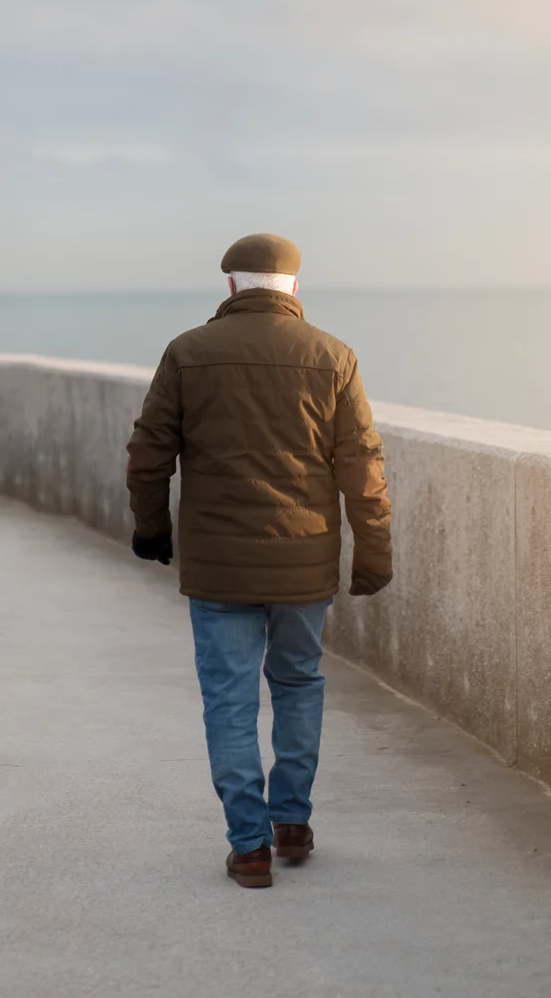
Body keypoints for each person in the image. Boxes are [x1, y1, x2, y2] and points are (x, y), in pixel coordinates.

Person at [126, 233, 392, 889]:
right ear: (294, 288)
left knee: (229, 702)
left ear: (230, 287)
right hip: (304, 566)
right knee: (299, 684)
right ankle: (292, 821)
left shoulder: (188, 353)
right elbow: (363, 472)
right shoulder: (334, 358)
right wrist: (373, 555)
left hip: (219, 568)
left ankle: (249, 847)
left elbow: (148, 455)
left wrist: (151, 529)